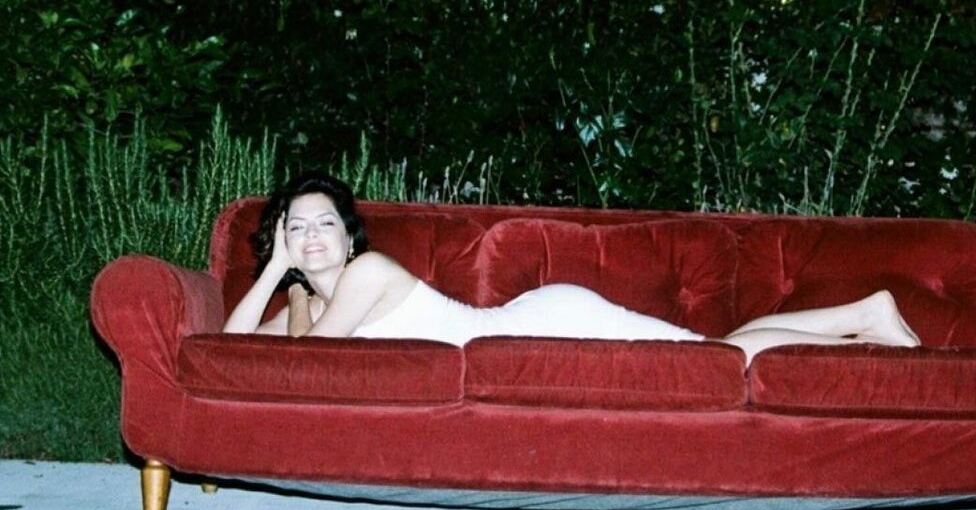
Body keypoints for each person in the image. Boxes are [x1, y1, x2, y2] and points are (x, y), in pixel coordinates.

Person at [223, 171, 920, 365]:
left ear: (348, 235)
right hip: (526, 332)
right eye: (296, 227)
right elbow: (227, 350)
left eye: (324, 223)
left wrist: (296, 295)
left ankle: (865, 315)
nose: (311, 237)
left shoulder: (366, 272)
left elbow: (309, 360)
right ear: (282, 237)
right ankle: (861, 322)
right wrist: (275, 270)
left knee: (718, 361)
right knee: (718, 354)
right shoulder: (311, 302)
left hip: (551, 319)